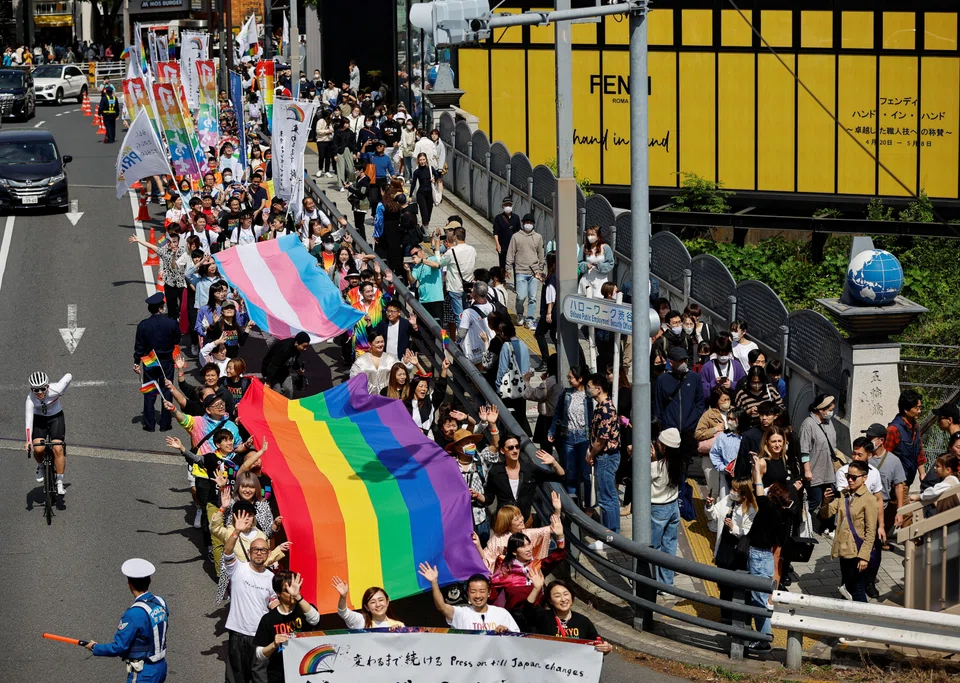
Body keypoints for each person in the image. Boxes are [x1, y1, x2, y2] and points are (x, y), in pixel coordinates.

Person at [85, 558, 168, 683]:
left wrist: (95, 647)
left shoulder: (134, 614)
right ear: (149, 580)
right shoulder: (160, 602)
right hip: (161, 667)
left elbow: (119, 647)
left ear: (129, 584)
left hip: (143, 672)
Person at [223, 509, 277, 683]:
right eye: (255, 550)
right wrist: (236, 531)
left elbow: (274, 604)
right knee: (236, 678)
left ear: (268, 554)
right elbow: (228, 551)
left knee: (259, 678)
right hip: (237, 634)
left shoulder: (271, 578)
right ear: (250, 551)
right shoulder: (238, 568)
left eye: (263, 550)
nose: (259, 553)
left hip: (260, 637)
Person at [821, 460, 878, 603]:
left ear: (864, 477)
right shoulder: (844, 495)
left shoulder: (869, 499)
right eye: (848, 476)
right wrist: (826, 501)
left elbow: (871, 531)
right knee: (848, 586)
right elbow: (825, 514)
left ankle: (864, 620)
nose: (850, 480)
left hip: (857, 552)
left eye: (854, 477)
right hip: (844, 549)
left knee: (857, 588)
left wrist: (864, 557)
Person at [705, 478, 757, 622]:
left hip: (739, 552)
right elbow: (714, 515)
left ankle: (740, 618)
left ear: (744, 494)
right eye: (732, 489)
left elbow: (747, 532)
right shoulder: (727, 500)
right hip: (724, 548)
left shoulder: (751, 510)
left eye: (735, 490)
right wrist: (709, 506)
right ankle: (726, 616)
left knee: (739, 586)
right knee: (724, 584)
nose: (732, 492)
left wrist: (733, 528)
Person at [490, 518, 566, 616]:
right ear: (514, 552)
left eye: (529, 544)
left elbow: (558, 556)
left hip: (538, 615)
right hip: (516, 617)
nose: (529, 549)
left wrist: (560, 536)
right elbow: (491, 596)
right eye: (523, 546)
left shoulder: (537, 566)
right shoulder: (504, 572)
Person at [254, 572, 320, 683]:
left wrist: (298, 596)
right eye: (287, 590)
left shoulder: (304, 609)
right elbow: (260, 654)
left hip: (305, 671)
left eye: (295, 588)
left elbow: (315, 619)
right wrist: (274, 644)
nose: (292, 593)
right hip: (279, 675)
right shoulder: (268, 619)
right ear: (278, 593)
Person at [523, 570, 613, 652]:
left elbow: (596, 646)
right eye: (557, 596)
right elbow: (526, 612)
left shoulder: (583, 621)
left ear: (572, 597)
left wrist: (606, 648)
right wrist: (536, 588)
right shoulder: (544, 617)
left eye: (566, 594)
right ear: (550, 600)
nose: (563, 599)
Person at [483, 434, 564, 521]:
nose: (515, 450)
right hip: (504, 521)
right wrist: (477, 496)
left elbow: (559, 476)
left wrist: (554, 463)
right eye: (510, 448)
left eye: (517, 447)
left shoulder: (530, 470)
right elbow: (489, 498)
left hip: (524, 521)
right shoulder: (495, 472)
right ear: (502, 450)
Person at [419, 564, 520, 632]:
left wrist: (507, 632)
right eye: (473, 591)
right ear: (467, 593)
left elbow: (517, 639)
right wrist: (434, 583)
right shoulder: (461, 613)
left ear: (489, 593)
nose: (478, 596)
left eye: (482, 591)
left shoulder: (501, 613)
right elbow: (442, 607)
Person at [134, 292, 181, 432]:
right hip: (166, 360)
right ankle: (166, 423)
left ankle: (149, 424)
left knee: (149, 392)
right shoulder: (172, 323)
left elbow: (139, 347)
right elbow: (177, 340)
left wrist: (136, 362)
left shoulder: (143, 325)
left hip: (149, 360)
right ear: (161, 308)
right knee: (167, 390)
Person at [548, 365, 593, 506]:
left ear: (580, 379)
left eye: (571, 377)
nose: (568, 380)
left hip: (584, 437)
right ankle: (573, 505)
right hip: (568, 437)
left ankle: (589, 505)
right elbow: (558, 413)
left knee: (586, 475)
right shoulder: (567, 394)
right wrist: (552, 430)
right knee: (570, 473)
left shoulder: (590, 396)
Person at [586, 372, 622, 541]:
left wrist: (591, 453)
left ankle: (610, 536)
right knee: (609, 496)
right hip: (605, 455)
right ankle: (613, 532)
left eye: (590, 387)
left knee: (607, 498)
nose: (588, 390)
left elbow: (602, 439)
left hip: (607, 457)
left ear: (598, 389)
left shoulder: (606, 410)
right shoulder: (603, 407)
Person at [653, 345, 705, 460]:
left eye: (685, 360)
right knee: (670, 460)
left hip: (689, 429)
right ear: (671, 363)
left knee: (686, 460)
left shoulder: (695, 378)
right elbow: (658, 406)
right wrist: (660, 427)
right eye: (680, 361)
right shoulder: (662, 380)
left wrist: (696, 420)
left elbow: (700, 402)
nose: (684, 363)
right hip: (670, 429)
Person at [799, 393, 840, 537]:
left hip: (829, 469)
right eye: (829, 409)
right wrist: (807, 470)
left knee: (829, 498)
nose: (831, 412)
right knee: (814, 500)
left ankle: (824, 526)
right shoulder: (808, 424)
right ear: (821, 409)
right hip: (815, 470)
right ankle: (800, 523)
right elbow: (804, 450)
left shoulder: (829, 422)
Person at [25, 370, 72, 495]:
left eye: (42, 389)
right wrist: (28, 441)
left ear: (47, 386)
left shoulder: (56, 389)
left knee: (58, 448)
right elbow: (29, 421)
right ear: (31, 389)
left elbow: (68, 375)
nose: (40, 393)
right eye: (36, 390)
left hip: (56, 417)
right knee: (39, 449)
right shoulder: (30, 400)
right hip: (39, 420)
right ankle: (41, 466)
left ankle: (60, 483)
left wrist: (63, 391)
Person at [651, 428, 684, 585]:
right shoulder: (678, 463)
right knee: (670, 547)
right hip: (673, 508)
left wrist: (651, 460)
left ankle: (654, 582)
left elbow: (641, 478)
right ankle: (667, 584)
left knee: (654, 547)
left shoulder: (657, 466)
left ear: (664, 447)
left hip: (658, 509)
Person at [505, 213, 545, 330]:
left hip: (534, 272)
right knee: (521, 296)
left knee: (533, 297)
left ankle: (530, 319)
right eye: (526, 222)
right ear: (523, 223)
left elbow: (541, 255)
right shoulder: (516, 236)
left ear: (533, 224)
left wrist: (540, 269)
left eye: (530, 222)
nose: (528, 224)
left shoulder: (538, 237)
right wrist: (508, 267)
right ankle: (520, 313)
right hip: (520, 271)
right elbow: (510, 253)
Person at [886, 389, 925, 487]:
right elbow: (885, 457)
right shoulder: (893, 430)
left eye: (920, 408)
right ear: (906, 410)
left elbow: (919, 453)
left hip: (907, 481)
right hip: (896, 484)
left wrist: (922, 473)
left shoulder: (915, 427)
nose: (919, 411)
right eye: (917, 408)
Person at [331, 577, 405, 628]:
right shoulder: (361, 622)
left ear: (387, 602)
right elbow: (343, 613)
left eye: (381, 600)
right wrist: (343, 597)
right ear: (367, 607)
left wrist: (398, 634)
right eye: (373, 602)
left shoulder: (399, 625)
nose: (378, 604)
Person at [260, 331, 311, 398]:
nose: (305, 349)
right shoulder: (284, 350)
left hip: (283, 370)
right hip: (271, 371)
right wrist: (268, 381)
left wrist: (298, 369)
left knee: (289, 390)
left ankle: (286, 406)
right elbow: (273, 366)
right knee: (276, 392)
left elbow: (293, 360)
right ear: (296, 343)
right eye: (304, 346)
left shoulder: (297, 349)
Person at [577, 225, 615, 298]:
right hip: (586, 280)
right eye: (588, 235)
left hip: (601, 281)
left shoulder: (606, 247)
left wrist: (600, 266)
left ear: (598, 236)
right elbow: (579, 262)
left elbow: (610, 263)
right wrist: (585, 265)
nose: (590, 237)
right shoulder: (584, 247)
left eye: (592, 235)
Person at [493, 197, 520, 272]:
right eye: (506, 205)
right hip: (503, 246)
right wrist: (497, 244)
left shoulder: (516, 217)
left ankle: (516, 281)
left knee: (516, 265)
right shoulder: (498, 218)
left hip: (514, 246)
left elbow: (519, 231)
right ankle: (502, 280)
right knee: (502, 265)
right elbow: (495, 232)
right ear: (503, 206)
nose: (508, 207)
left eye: (509, 205)